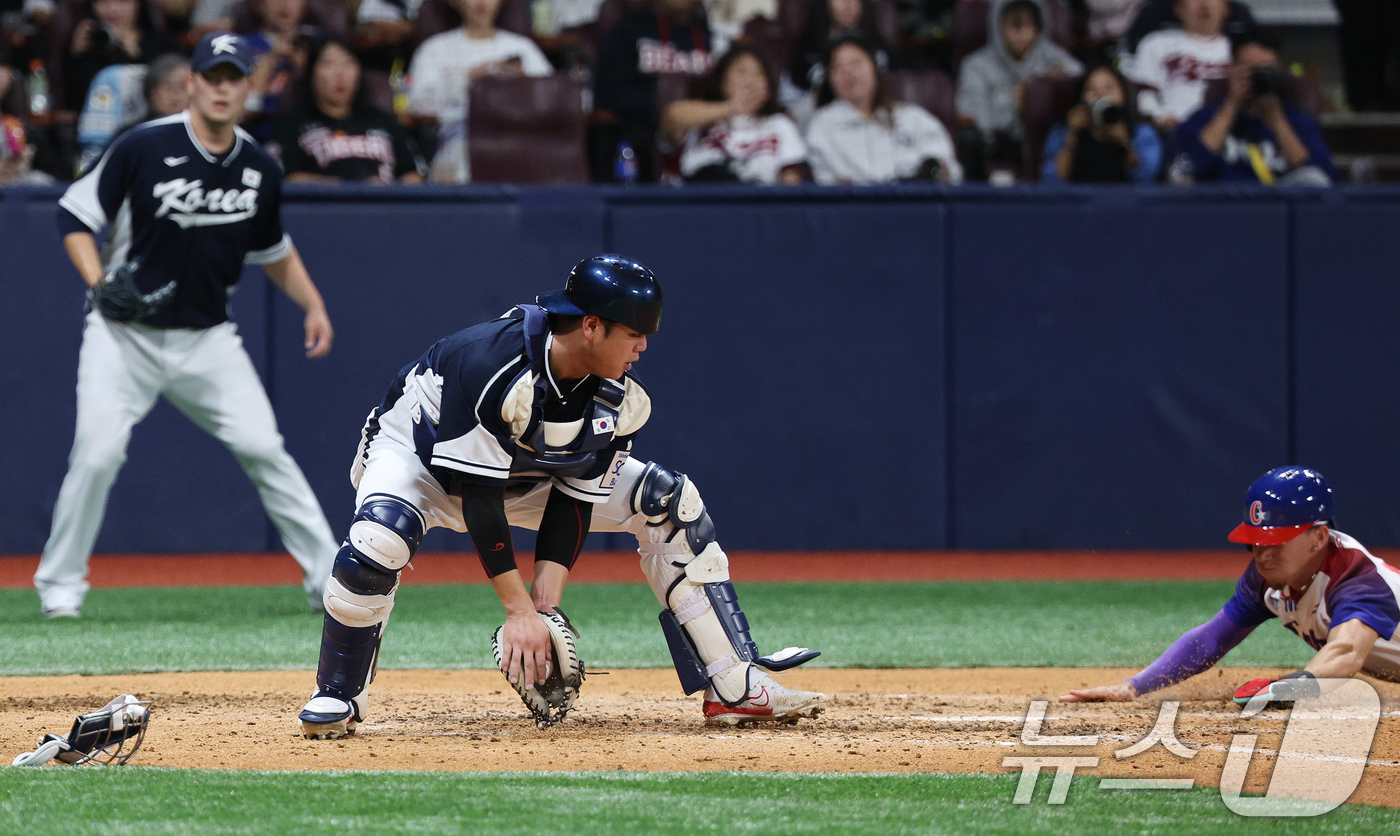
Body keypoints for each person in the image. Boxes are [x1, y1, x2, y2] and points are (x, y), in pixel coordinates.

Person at [297, 255, 827, 739]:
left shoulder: (619, 397)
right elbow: (479, 497)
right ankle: (337, 694)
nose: (643, 346)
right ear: (591, 325)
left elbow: (575, 496)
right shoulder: (491, 364)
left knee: (669, 503)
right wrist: (518, 611)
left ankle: (737, 684)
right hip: (418, 458)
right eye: (634, 332)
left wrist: (546, 605)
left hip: (526, 473)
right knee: (378, 538)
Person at [38, 32, 339, 619]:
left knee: (264, 447)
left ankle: (329, 577)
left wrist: (314, 304)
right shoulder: (143, 146)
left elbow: (273, 249)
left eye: (235, 78)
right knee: (97, 454)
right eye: (213, 77)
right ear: (192, 83)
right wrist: (99, 282)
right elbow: (73, 215)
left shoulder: (258, 165)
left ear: (248, 87)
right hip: (124, 335)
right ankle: (59, 586)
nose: (223, 88)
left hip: (206, 337)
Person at [1060, 467, 1400, 705]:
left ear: (1318, 537)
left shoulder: (1356, 579)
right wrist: (1133, 687)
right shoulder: (1268, 577)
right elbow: (1212, 638)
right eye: (1255, 542)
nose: (1261, 554)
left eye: (1276, 542)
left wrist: (1290, 688)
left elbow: (1346, 654)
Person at [406, 0, 552, 183]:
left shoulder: (522, 48)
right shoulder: (434, 49)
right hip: (462, 135)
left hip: (519, 135)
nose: (482, 3)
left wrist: (525, 82)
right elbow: (417, 105)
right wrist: (468, 78)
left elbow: (555, 98)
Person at [1176, 36, 1336, 186]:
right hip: (1224, 204)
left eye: (1266, 70)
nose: (1257, 78)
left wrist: (1277, 121)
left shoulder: (1298, 122)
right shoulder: (1205, 118)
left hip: (1280, 204)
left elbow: (1321, 180)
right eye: (1250, 70)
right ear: (1232, 71)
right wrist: (1231, 104)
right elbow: (1189, 168)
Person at [268, 36, 426, 184]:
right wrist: (351, 186)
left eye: (348, 64)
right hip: (324, 209)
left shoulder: (384, 122)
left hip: (384, 207)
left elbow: (412, 175)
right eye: (329, 64)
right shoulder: (292, 124)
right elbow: (289, 179)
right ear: (312, 72)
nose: (340, 74)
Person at [806, 37, 961, 184]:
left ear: (874, 67)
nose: (848, 73)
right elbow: (824, 183)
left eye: (855, 63)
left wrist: (937, 171)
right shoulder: (821, 126)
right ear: (830, 79)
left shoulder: (912, 117)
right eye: (837, 67)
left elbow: (949, 170)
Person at [955, 0, 1081, 174]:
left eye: (1031, 26)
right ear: (998, 27)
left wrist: (1041, 89)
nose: (1024, 34)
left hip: (1047, 148)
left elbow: (1082, 79)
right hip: (998, 150)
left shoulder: (1054, 58)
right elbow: (975, 120)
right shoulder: (975, 65)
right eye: (1016, 26)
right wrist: (1016, 104)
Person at [593, 0, 713, 182]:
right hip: (645, 133)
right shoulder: (627, 34)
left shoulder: (713, 38)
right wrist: (667, 112)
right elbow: (609, 96)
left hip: (706, 131)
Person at [662, 45, 809, 184]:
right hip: (698, 202)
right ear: (722, 80)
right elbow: (673, 117)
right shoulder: (700, 119)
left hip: (755, 203)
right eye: (742, 71)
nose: (750, 80)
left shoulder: (779, 124)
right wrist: (731, 107)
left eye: (758, 73)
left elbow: (792, 179)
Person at [1041, 64, 1162, 183]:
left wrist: (1125, 143)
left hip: (1124, 201)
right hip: (1078, 201)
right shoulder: (1063, 131)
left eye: (1108, 88)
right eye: (1091, 89)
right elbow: (1051, 182)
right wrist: (1071, 136)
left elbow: (1146, 180)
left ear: (1124, 95)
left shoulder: (1141, 133)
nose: (1100, 95)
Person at [1122, 0, 1230, 133]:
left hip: (1228, 130)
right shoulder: (1156, 44)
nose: (1204, 4)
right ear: (1178, 8)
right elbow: (1143, 93)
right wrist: (1160, 116)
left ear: (1226, 7)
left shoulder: (1239, 51)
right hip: (1172, 131)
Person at [77, 52, 189, 174]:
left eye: (183, 86)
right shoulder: (130, 135)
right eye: (167, 86)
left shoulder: (203, 134)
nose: (175, 93)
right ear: (150, 91)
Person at [64, 0, 179, 109]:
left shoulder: (161, 42)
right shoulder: (87, 45)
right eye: (103, 1)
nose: (113, 9)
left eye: (123, 1)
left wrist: (136, 56)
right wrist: (76, 57)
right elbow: (74, 103)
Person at [243, 0, 316, 139]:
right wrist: (271, 58)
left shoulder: (319, 43)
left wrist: (305, 64)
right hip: (258, 134)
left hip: (312, 132)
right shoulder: (242, 46)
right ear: (259, 5)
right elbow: (242, 112)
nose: (284, 4)